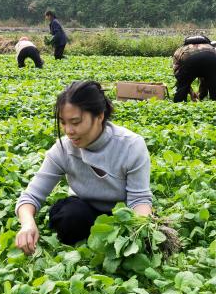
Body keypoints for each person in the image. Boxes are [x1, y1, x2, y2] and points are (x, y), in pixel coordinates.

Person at [15, 80, 153, 254]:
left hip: (121, 215)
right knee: (70, 218)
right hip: (84, 209)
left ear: (100, 116)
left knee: (133, 242)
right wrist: (27, 224)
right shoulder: (63, 148)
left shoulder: (131, 146)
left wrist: (141, 229)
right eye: (63, 123)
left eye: (76, 122)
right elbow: (31, 196)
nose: (69, 131)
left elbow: (139, 199)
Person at [171, 35, 216, 102]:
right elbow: (208, 76)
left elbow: (178, 74)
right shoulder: (210, 47)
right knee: (214, 85)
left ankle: (179, 103)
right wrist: (201, 93)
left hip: (191, 60)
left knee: (183, 85)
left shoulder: (181, 49)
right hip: (211, 58)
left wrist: (189, 91)